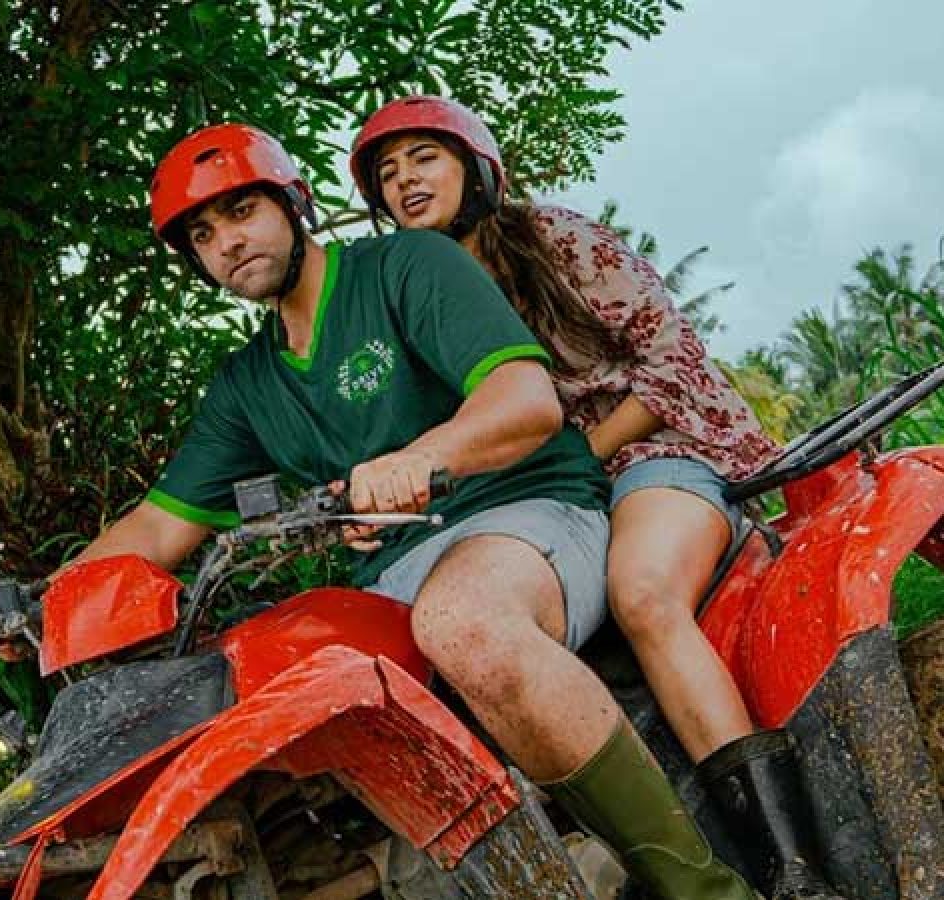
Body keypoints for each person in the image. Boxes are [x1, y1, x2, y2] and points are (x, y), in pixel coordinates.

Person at [66, 122, 754, 898]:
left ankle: (708, 890)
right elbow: (158, 526)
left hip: (526, 514)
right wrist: (51, 605)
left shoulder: (408, 265)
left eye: (243, 211)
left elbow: (525, 402)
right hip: (391, 576)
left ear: (295, 206)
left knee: (463, 621)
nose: (227, 240)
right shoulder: (245, 384)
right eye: (203, 232)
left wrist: (424, 457)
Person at [350, 94, 845, 900]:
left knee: (643, 592)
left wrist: (584, 451)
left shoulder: (553, 238)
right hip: (546, 505)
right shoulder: (407, 304)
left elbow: (670, 358)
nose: (405, 182)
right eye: (387, 174)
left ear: (476, 168)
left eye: (423, 160)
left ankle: (790, 867)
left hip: (650, 454)